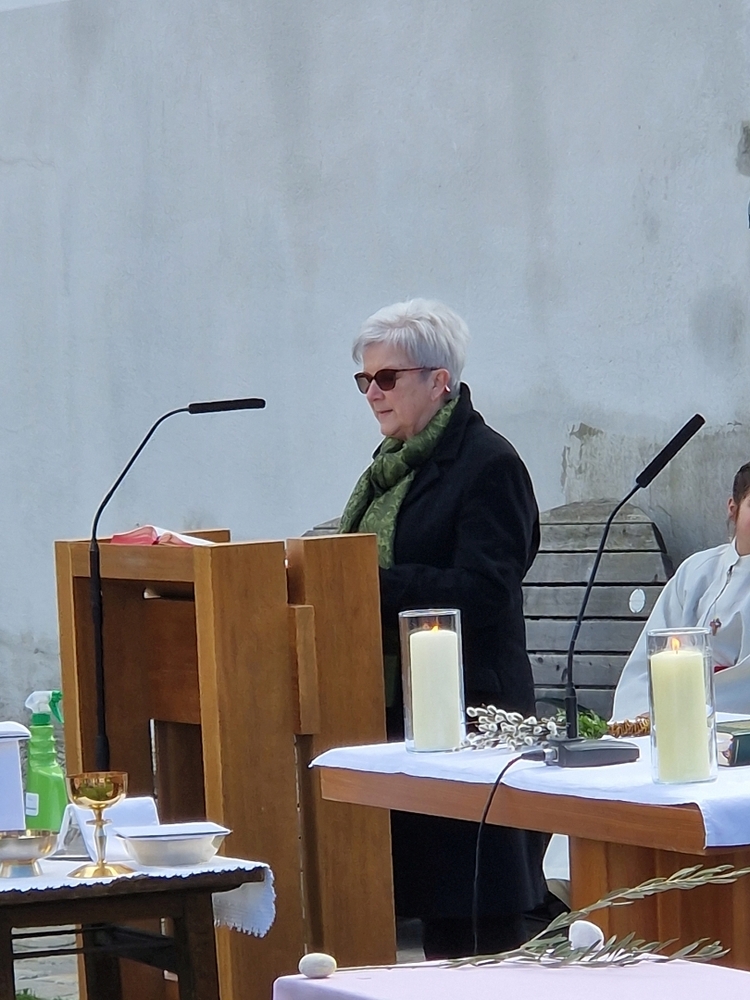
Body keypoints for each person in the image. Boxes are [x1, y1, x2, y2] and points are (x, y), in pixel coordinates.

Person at [339, 298, 546, 958]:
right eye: (364, 379)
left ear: (439, 381)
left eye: (387, 377)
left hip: (471, 716)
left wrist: (366, 586)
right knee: (432, 916)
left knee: (474, 924)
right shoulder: (392, 468)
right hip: (402, 715)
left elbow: (487, 589)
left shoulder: (488, 464)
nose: (373, 393)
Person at [612, 461, 750, 721]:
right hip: (672, 717)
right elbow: (648, 661)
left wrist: (688, 710)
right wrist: (642, 716)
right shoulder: (696, 570)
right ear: (733, 508)